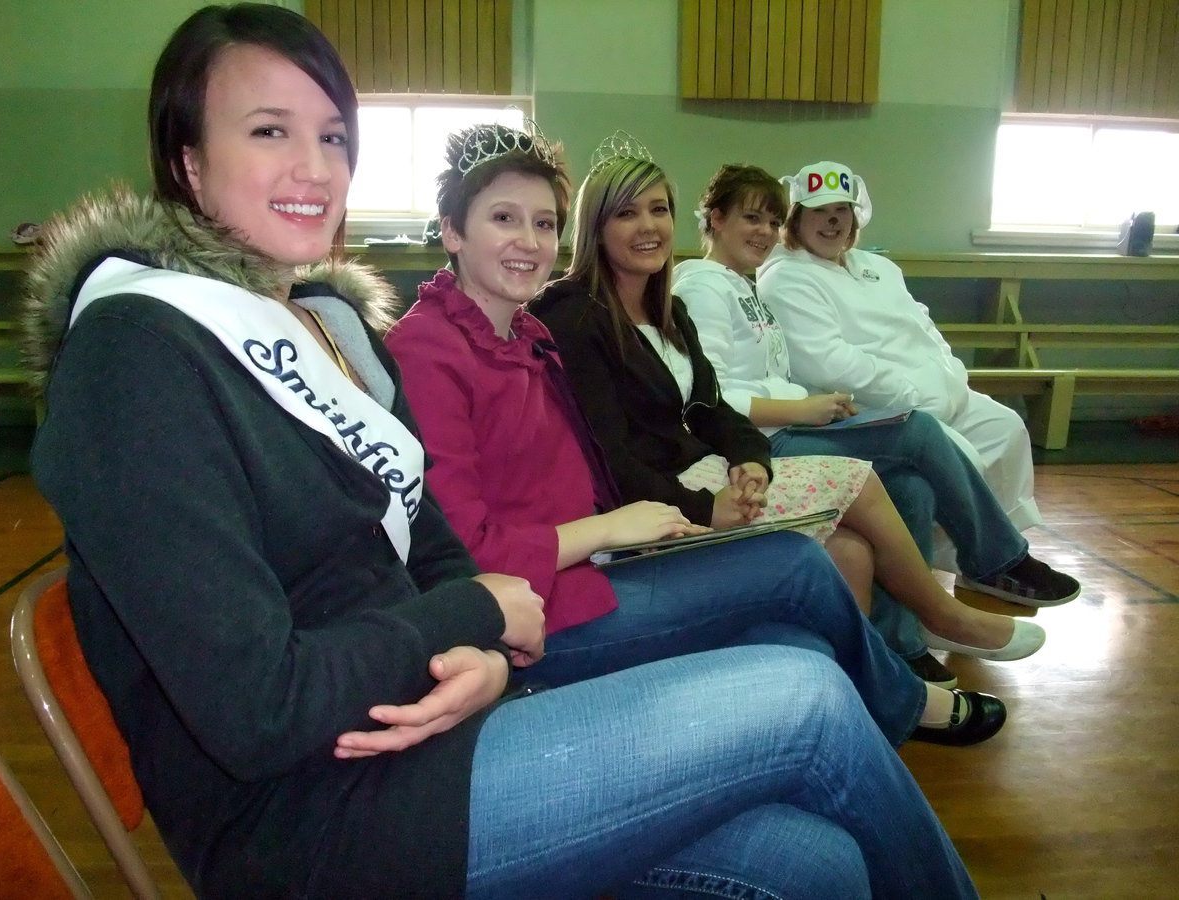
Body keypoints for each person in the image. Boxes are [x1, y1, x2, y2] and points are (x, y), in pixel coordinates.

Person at [19, 6, 984, 898]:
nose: (313, 167)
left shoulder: (317, 326)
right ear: (188, 161)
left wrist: (476, 644)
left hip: (441, 720)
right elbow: (259, 706)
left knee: (815, 864)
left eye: (333, 137)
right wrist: (471, 613)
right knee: (808, 698)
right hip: (316, 816)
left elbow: (424, 536)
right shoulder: (136, 355)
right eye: (268, 130)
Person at [384, 122, 1007, 738]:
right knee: (796, 565)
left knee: (801, 629)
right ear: (452, 231)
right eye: (503, 218)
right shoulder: (433, 349)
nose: (528, 241)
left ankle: (854, 728)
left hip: (601, 557)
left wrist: (710, 480)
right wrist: (626, 523)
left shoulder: (527, 334)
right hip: (543, 609)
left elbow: (660, 428)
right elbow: (462, 548)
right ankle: (908, 693)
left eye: (543, 222)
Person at [531, 134, 1046, 674]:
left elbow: (710, 407)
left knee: (854, 549)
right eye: (626, 213)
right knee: (865, 474)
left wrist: (750, 458)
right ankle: (945, 615)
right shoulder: (579, 317)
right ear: (595, 227)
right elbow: (607, 457)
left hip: (709, 472)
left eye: (658, 210)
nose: (648, 226)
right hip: (658, 503)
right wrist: (708, 507)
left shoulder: (667, 313)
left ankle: (870, 680)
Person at [673, 164, 1081, 684]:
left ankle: (899, 642)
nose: (764, 232)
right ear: (716, 219)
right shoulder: (705, 286)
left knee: (908, 487)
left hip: (787, 424)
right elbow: (709, 395)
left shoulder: (741, 284)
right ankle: (994, 560)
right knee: (917, 432)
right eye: (752, 218)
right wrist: (803, 409)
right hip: (760, 442)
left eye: (771, 221)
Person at [756, 160, 1054, 609]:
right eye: (819, 211)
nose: (833, 220)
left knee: (1006, 427)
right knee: (961, 456)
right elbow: (828, 364)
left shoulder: (877, 267)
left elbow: (924, 325)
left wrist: (951, 377)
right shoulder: (787, 277)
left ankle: (982, 561)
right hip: (879, 406)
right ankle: (988, 559)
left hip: (937, 391)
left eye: (843, 209)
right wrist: (916, 394)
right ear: (796, 219)